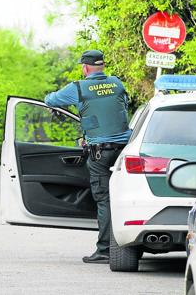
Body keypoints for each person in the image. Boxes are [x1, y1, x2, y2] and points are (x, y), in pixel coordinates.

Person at [45, 50, 132, 264]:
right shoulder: (117, 83)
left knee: (104, 200)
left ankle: (104, 250)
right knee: (125, 199)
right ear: (102, 66)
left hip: (100, 153)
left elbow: (50, 100)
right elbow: (120, 109)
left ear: (85, 68)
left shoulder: (78, 87)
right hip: (124, 151)